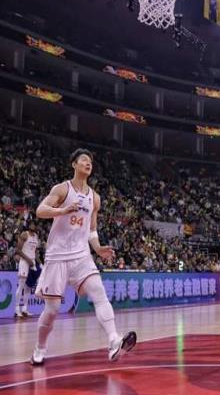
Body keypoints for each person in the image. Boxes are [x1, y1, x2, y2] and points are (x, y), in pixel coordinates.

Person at [31, 149, 137, 365]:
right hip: (58, 256)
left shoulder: (94, 198)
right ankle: (39, 348)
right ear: (74, 164)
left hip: (81, 255)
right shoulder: (62, 189)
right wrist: (62, 210)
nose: (88, 164)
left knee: (99, 292)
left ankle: (113, 340)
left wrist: (97, 248)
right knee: (52, 310)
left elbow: (92, 229)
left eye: (90, 162)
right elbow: (40, 210)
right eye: (84, 160)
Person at [15, 219, 39, 318]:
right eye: (31, 224)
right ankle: (17, 310)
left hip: (32, 262)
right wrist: (28, 259)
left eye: (34, 224)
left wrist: (40, 263)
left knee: (29, 287)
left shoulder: (36, 236)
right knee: (21, 285)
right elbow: (18, 250)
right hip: (24, 261)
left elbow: (35, 252)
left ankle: (25, 309)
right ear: (28, 225)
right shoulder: (24, 235)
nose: (33, 226)